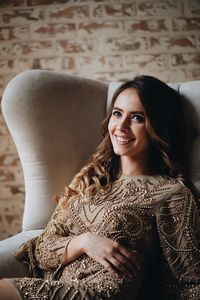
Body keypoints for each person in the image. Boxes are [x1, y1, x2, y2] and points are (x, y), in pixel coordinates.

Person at [0, 75, 199, 300]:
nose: (121, 126)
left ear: (157, 127)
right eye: (117, 113)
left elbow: (188, 282)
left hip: (104, 294)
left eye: (137, 118)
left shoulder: (172, 194)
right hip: (61, 287)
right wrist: (85, 242)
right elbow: (41, 251)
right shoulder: (90, 181)